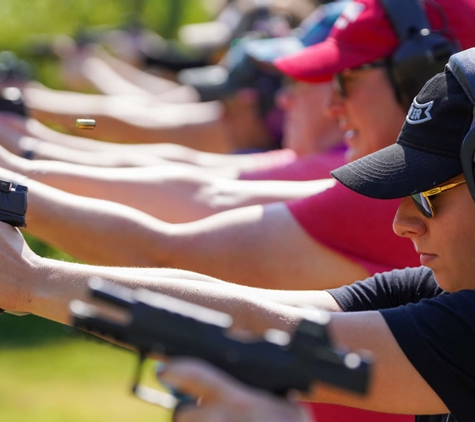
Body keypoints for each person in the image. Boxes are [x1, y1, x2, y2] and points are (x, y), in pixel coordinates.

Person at [2, 48, 475, 420]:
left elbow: (180, 245)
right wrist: (31, 278)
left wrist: (32, 279)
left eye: (428, 194)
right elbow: (260, 320)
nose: (401, 223)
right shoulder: (436, 287)